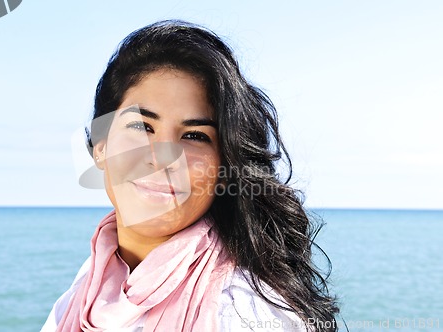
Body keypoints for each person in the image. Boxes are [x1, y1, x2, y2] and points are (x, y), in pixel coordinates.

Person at [41, 20, 339, 332]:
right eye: (141, 126)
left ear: (224, 170)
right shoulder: (87, 289)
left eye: (195, 136)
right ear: (101, 147)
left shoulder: (244, 311)